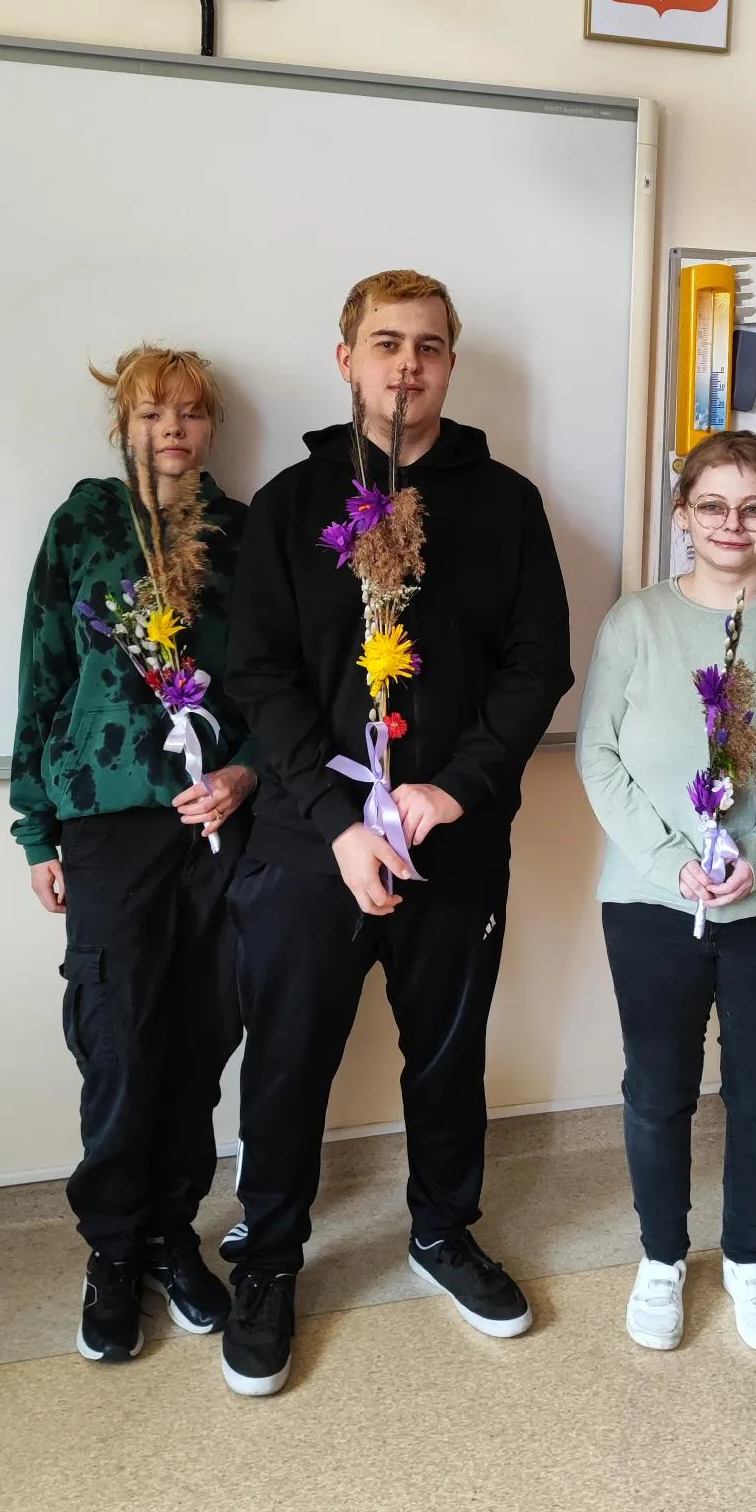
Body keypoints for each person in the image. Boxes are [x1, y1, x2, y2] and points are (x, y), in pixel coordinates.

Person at [221, 268, 572, 1396]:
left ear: (450, 364)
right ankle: (269, 1258)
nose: (406, 365)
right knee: (287, 1056)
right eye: (386, 343)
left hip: (450, 838)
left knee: (449, 1051)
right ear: (347, 360)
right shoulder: (290, 503)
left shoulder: (506, 504)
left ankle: (441, 1229)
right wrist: (336, 823)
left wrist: (455, 788)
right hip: (308, 839)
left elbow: (537, 664)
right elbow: (260, 674)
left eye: (427, 345)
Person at [576, 430, 756, 1354]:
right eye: (712, 506)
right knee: (656, 1090)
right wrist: (672, 862)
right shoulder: (636, 620)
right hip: (650, 900)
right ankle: (662, 1258)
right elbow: (598, 754)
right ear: (683, 516)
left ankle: (746, 1257)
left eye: (753, 507)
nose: (731, 524)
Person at [10, 347, 257, 1364]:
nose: (173, 429)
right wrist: (35, 826)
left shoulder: (244, 534)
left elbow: (274, 679)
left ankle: (170, 1233)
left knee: (201, 1032)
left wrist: (243, 772)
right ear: (125, 423)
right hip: (107, 821)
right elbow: (41, 672)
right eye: (154, 412)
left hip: (214, 825)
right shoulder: (83, 524)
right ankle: (112, 1249)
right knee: (117, 1036)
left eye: (191, 413)